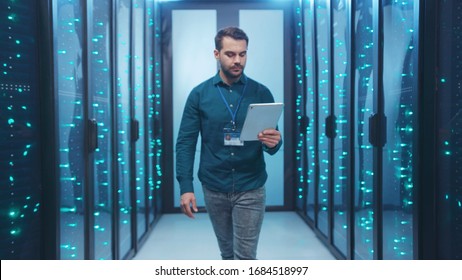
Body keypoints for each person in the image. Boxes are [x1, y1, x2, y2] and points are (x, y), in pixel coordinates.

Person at [175, 26, 282, 260]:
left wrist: (274, 142)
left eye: (242, 54)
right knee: (227, 255)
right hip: (214, 186)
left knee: (244, 257)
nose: (238, 61)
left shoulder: (262, 93)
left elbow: (270, 144)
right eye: (230, 54)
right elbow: (185, 142)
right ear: (216, 54)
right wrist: (185, 186)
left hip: (250, 185)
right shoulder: (199, 95)